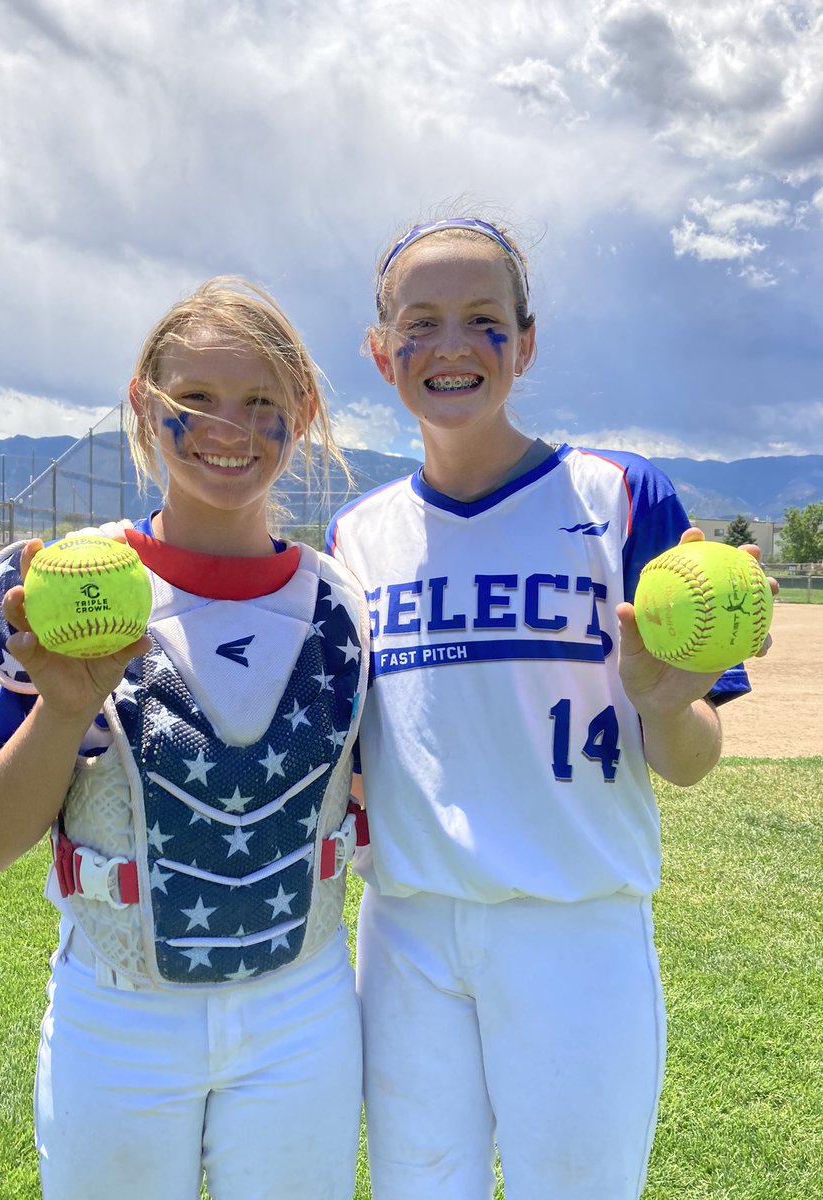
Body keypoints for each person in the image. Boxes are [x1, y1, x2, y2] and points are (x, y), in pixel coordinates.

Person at [326, 215, 773, 1200]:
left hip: (577, 926)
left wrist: (662, 704)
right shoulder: (356, 536)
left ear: (526, 342)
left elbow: (691, 759)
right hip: (406, 933)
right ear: (380, 351)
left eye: (483, 320)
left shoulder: (621, 495)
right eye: (420, 322)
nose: (450, 346)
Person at [0, 277, 369, 1200]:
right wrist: (63, 709)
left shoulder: (344, 601)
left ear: (301, 413)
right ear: (145, 406)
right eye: (197, 401)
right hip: (119, 1012)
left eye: (261, 402)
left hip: (300, 1008)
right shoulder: (67, 589)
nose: (230, 427)